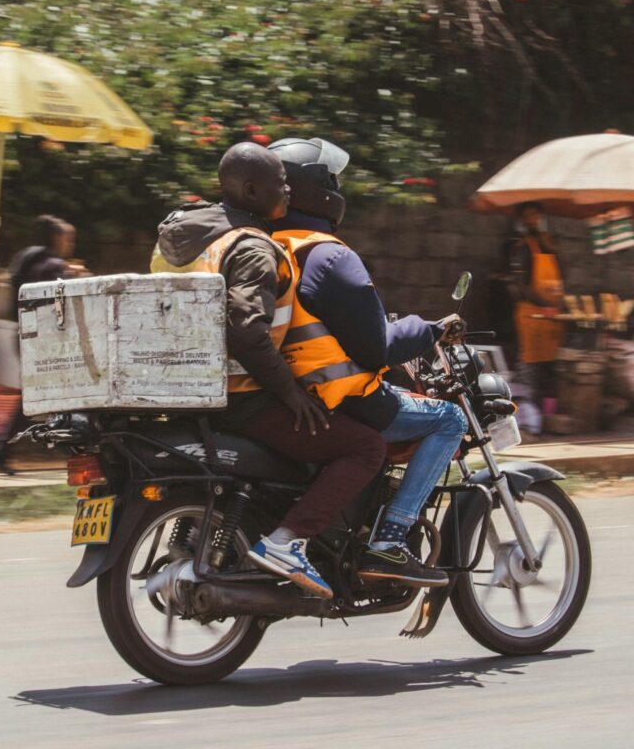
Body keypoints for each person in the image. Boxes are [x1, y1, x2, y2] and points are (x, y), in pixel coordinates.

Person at [152, 142, 386, 600]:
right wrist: (290, 392)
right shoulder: (254, 246)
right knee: (366, 446)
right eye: (280, 183)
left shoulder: (187, 239)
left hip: (190, 390)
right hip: (244, 395)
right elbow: (245, 329)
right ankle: (287, 543)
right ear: (253, 190)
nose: (288, 190)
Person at [267, 137, 469, 588]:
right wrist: (430, 329)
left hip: (289, 394)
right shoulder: (329, 256)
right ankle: (390, 540)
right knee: (448, 420)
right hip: (342, 399)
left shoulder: (267, 250)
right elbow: (377, 347)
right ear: (319, 191)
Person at [0, 215, 83, 474]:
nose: (70, 243)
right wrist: (75, 279)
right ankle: (2, 451)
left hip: (24, 333)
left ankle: (4, 451)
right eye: (68, 238)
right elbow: (59, 302)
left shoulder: (29, 258)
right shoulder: (52, 265)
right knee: (39, 396)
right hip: (44, 339)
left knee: (46, 395)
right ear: (57, 238)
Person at [509, 202, 565, 418]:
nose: (533, 220)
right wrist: (545, 305)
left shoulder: (550, 244)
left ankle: (548, 417)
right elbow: (521, 285)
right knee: (529, 366)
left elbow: (560, 278)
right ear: (523, 220)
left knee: (550, 368)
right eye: (528, 216)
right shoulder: (523, 247)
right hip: (531, 315)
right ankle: (528, 418)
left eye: (536, 215)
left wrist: (557, 304)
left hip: (552, 316)